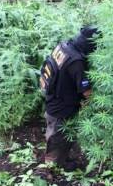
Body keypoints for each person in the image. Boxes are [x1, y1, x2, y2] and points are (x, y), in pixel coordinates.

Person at [40, 26, 100, 171]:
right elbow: (86, 91)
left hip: (54, 97)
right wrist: (99, 104)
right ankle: (50, 169)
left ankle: (65, 160)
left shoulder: (64, 46)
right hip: (61, 106)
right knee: (57, 137)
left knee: (63, 134)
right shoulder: (76, 61)